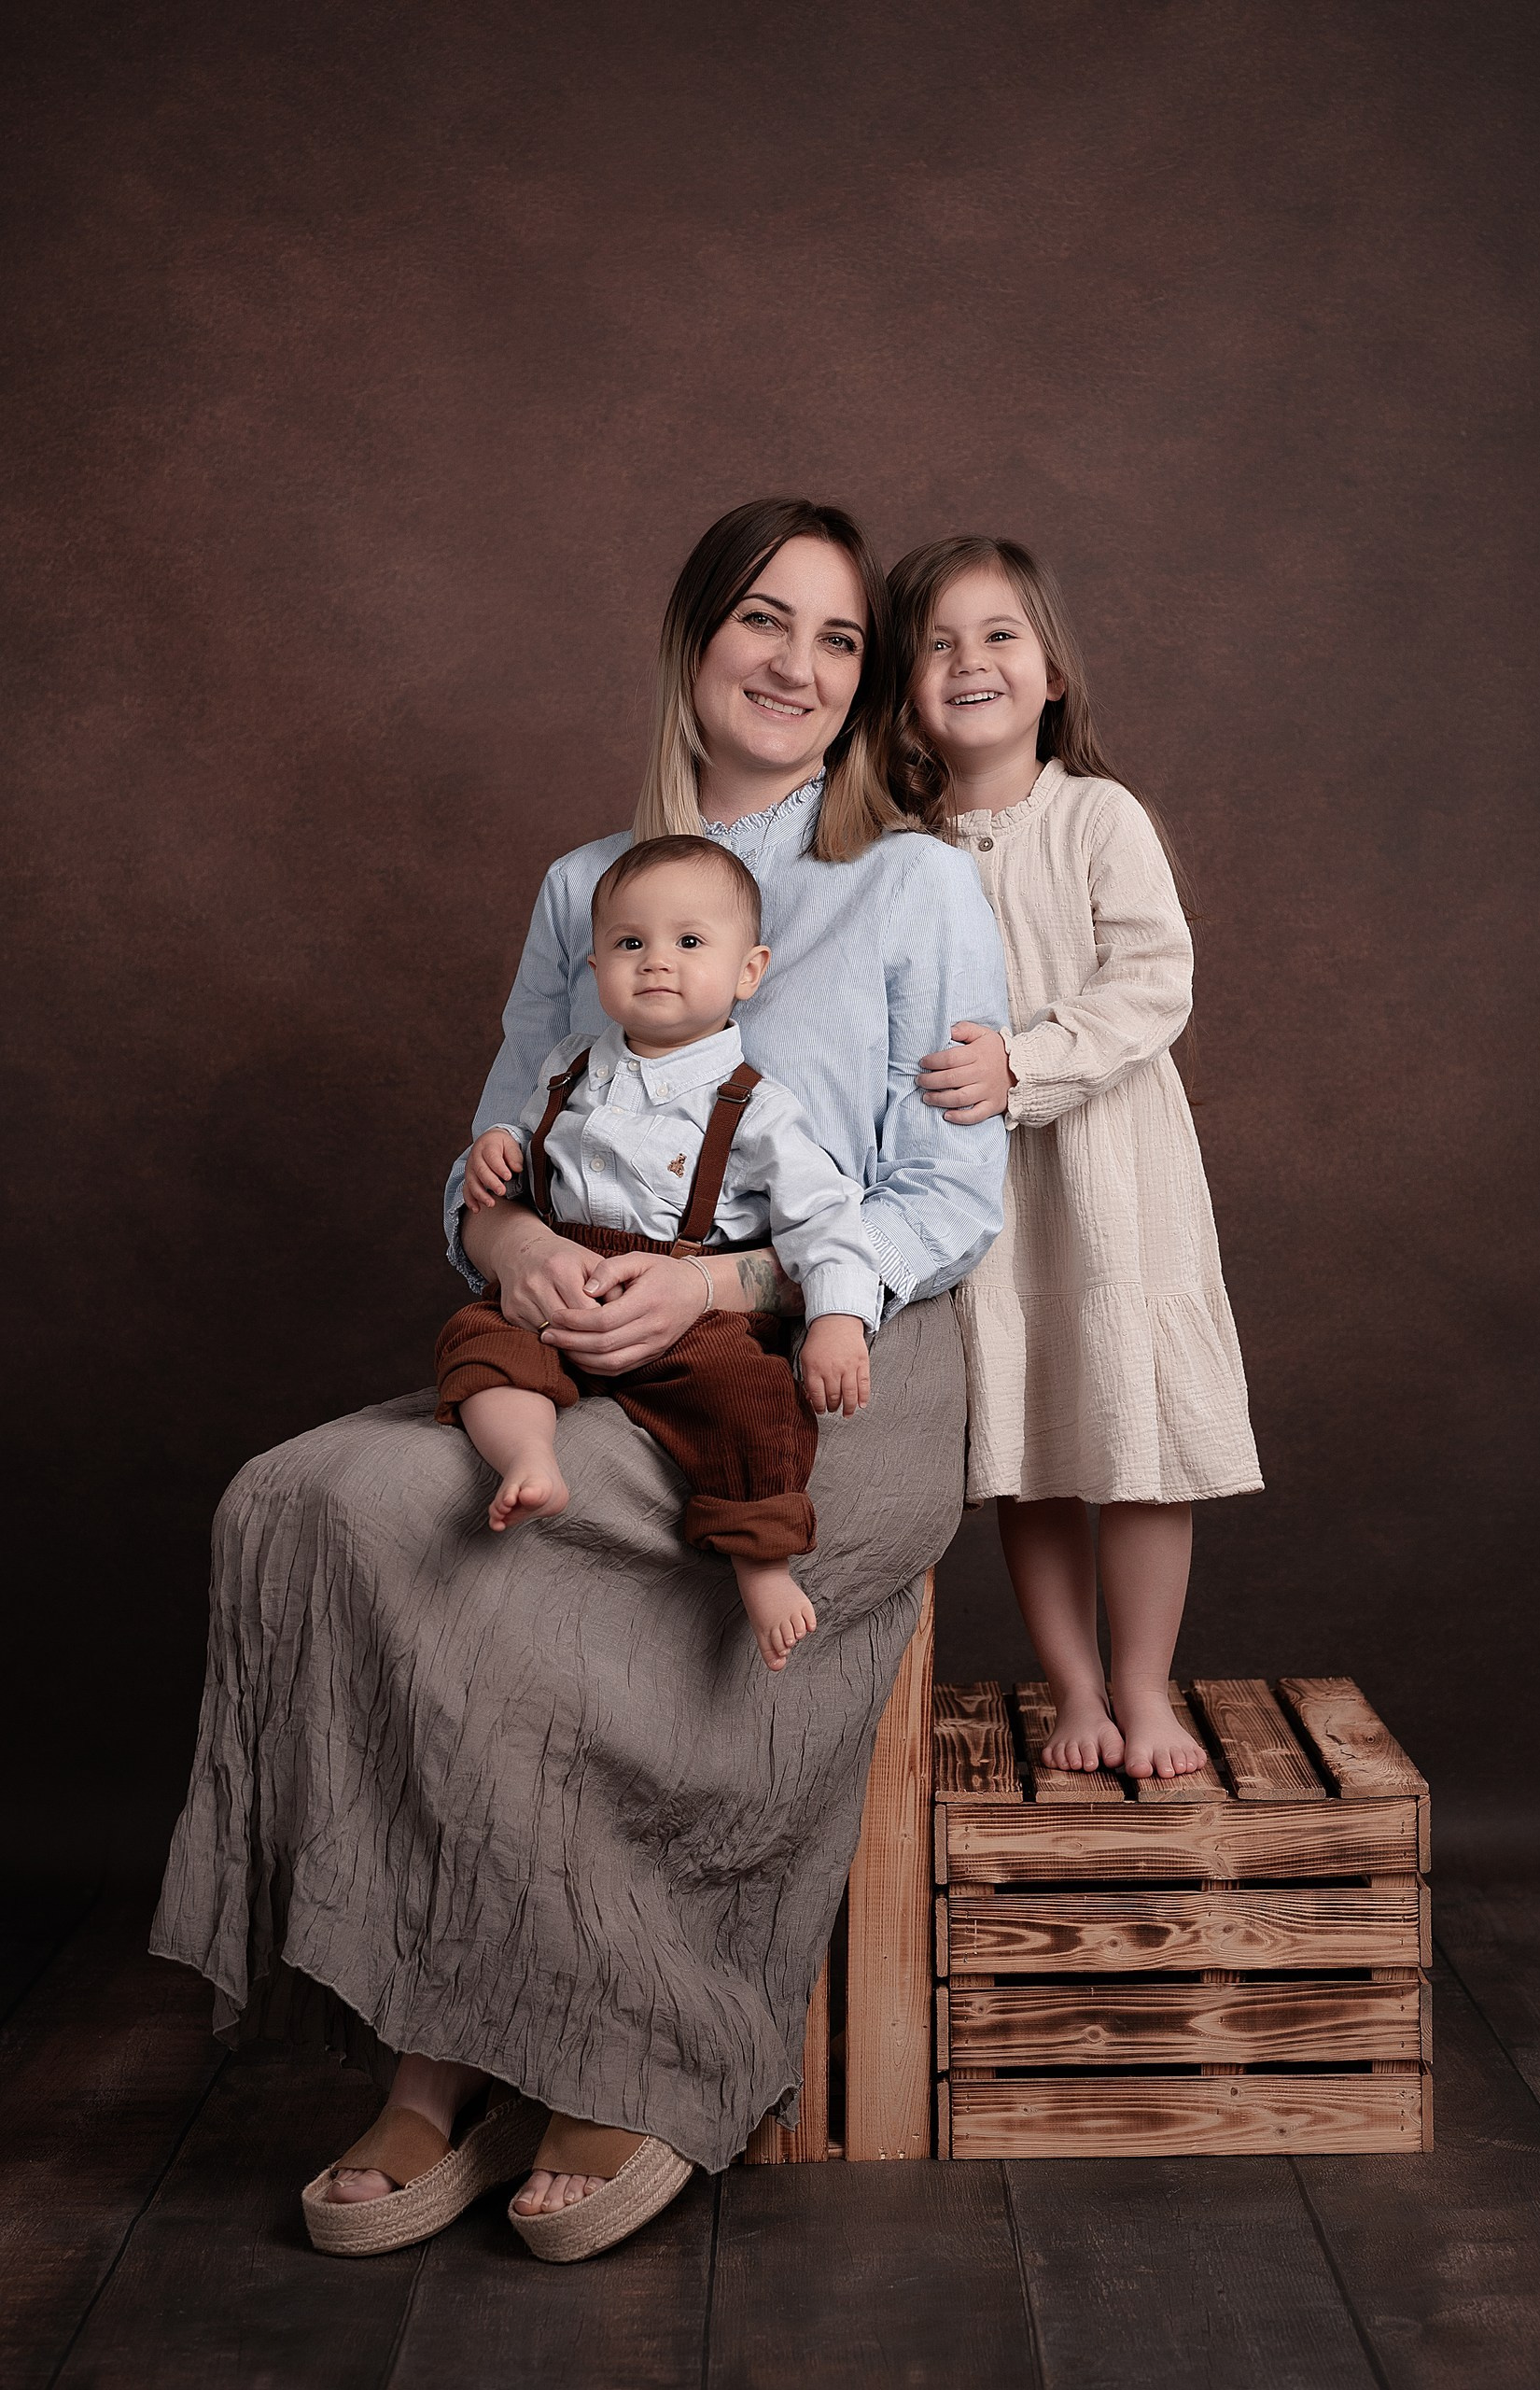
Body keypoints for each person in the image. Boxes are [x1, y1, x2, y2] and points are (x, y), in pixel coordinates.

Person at [150, 497, 1009, 2265]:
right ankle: (444, 2046)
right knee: (308, 1497)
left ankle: (617, 2038)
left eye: (840, 640)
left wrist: (730, 1274)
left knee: (474, 1543)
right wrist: (513, 1254)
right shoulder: (583, 888)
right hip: (586, 1362)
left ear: (863, 688)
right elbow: (489, 1157)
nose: (796, 664)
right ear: (694, 641)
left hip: (829, 1371)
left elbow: (950, 1198)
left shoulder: (914, 881)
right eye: (763, 621)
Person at [891, 535, 1262, 1782]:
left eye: (997, 634)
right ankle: (1074, 1689)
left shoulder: (1096, 817)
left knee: (1136, 1433)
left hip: (1113, 1173)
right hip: (986, 1189)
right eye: (936, 643)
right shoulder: (904, 856)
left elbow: (1154, 980)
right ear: (904, 691)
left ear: (1049, 672)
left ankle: (1146, 1687)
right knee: (1031, 1431)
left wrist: (1025, 1063)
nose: (968, 661)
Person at [438, 832, 879, 1672]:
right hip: (565, 1284)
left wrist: (838, 1322)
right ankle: (530, 1460)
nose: (656, 963)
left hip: (686, 1303)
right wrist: (499, 1144)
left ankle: (761, 1562)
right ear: (597, 966)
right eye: (629, 944)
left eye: (688, 942)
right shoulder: (567, 1065)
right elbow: (531, 1141)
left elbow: (827, 1220)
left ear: (748, 973)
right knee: (478, 1336)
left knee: (752, 1394)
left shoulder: (755, 1106)